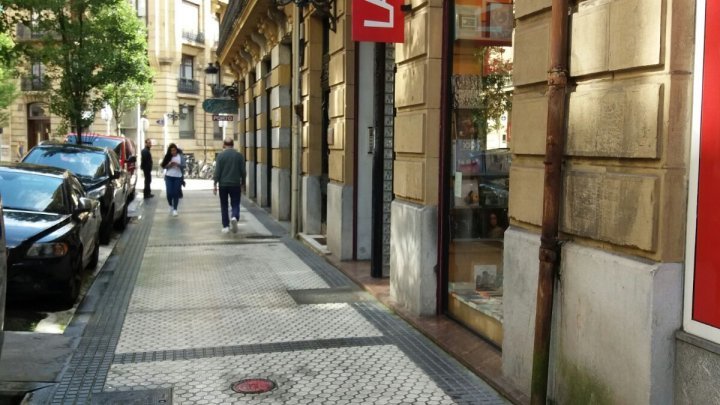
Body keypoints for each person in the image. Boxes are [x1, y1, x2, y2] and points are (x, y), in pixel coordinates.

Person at [213, 137, 246, 233]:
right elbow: (243, 171)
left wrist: (215, 184)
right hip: (235, 184)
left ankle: (225, 226)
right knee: (235, 203)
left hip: (223, 185)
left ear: (224, 145)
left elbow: (217, 171)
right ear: (233, 144)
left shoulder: (220, 156)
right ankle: (234, 216)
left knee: (224, 205)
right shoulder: (239, 156)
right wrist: (243, 182)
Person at [161, 143, 185, 216]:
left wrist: (177, 165)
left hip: (178, 177)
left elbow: (184, 166)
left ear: (176, 150)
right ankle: (170, 205)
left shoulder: (180, 156)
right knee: (169, 193)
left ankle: (175, 209)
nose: (173, 152)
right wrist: (169, 165)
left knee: (175, 193)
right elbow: (163, 166)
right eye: (171, 151)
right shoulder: (168, 157)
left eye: (174, 150)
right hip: (169, 177)